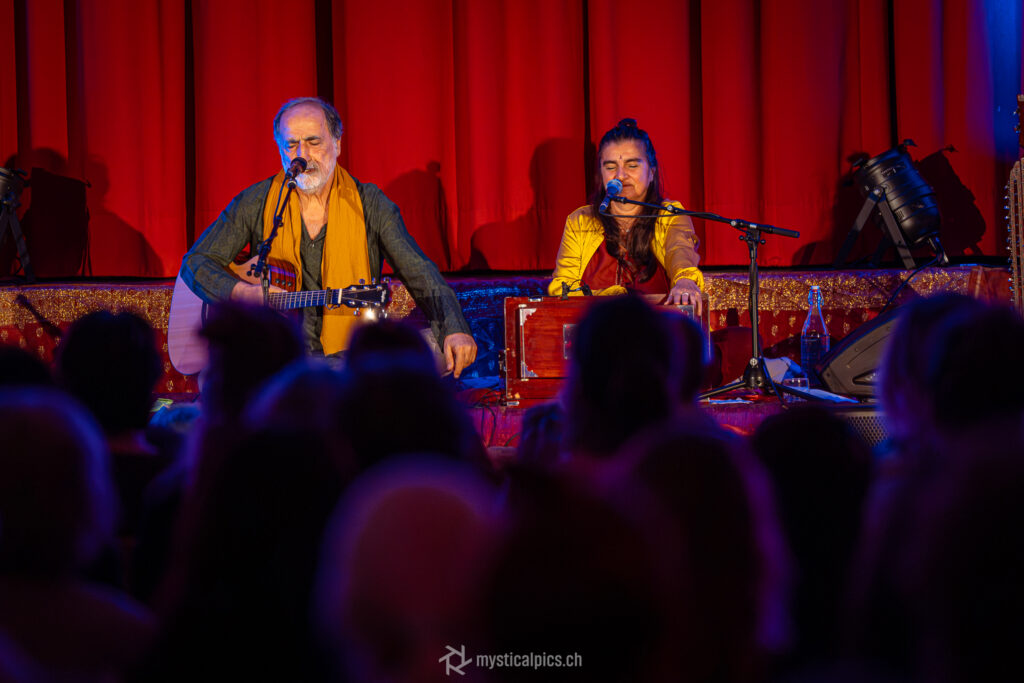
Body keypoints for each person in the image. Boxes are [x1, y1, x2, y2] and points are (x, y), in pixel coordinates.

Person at [181, 96, 477, 377]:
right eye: (291, 145)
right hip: (276, 358)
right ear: (280, 150)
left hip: (350, 355)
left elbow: (419, 271)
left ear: (337, 144)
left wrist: (454, 328)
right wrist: (240, 293)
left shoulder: (370, 203)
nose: (302, 155)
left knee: (438, 348)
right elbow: (196, 261)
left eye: (313, 142)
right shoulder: (257, 201)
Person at [548, 118, 704, 311]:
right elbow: (562, 287)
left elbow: (680, 250)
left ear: (652, 172)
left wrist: (685, 280)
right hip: (595, 324)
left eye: (632, 165)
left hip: (658, 324)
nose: (620, 176)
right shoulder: (581, 220)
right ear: (601, 175)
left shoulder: (669, 215)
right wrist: (611, 298)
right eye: (610, 167)